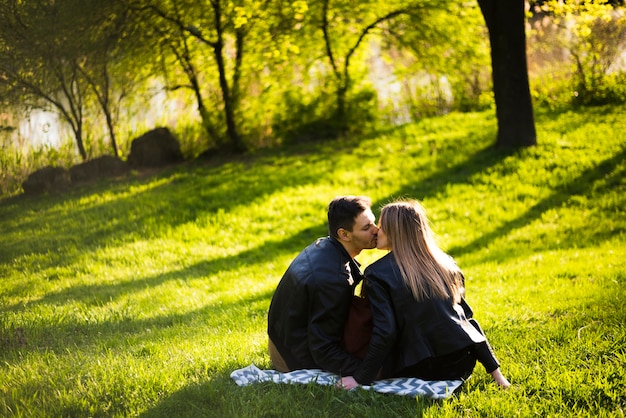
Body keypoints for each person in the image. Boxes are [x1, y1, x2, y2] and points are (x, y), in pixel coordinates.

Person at [339, 199, 510, 390]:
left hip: (422, 368)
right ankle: (500, 379)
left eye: (382, 227)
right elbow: (467, 321)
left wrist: (360, 378)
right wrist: (498, 375)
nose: (377, 231)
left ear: (396, 233)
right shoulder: (446, 264)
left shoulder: (377, 273)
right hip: (462, 364)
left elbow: (385, 332)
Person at [267, 195, 379, 376]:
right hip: (292, 359)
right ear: (344, 234)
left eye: (373, 223)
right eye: (367, 227)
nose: (376, 230)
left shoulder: (325, 245)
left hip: (281, 341)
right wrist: (367, 372)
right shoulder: (333, 279)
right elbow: (323, 348)